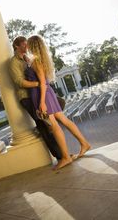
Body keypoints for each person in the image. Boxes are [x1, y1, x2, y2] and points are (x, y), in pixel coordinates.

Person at [26, 35, 91, 170]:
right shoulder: (38, 60)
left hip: (43, 95)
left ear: (32, 46)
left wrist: (42, 102)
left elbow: (42, 83)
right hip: (48, 94)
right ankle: (84, 144)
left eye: (28, 44)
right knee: (63, 120)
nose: (26, 46)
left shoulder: (36, 61)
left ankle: (66, 157)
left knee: (55, 125)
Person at [9, 36, 62, 161]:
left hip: (36, 94)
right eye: (24, 44)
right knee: (43, 124)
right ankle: (60, 155)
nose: (27, 46)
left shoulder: (29, 58)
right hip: (27, 97)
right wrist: (40, 84)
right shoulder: (13, 63)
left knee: (49, 123)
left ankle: (63, 154)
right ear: (17, 46)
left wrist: (42, 85)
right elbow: (20, 82)